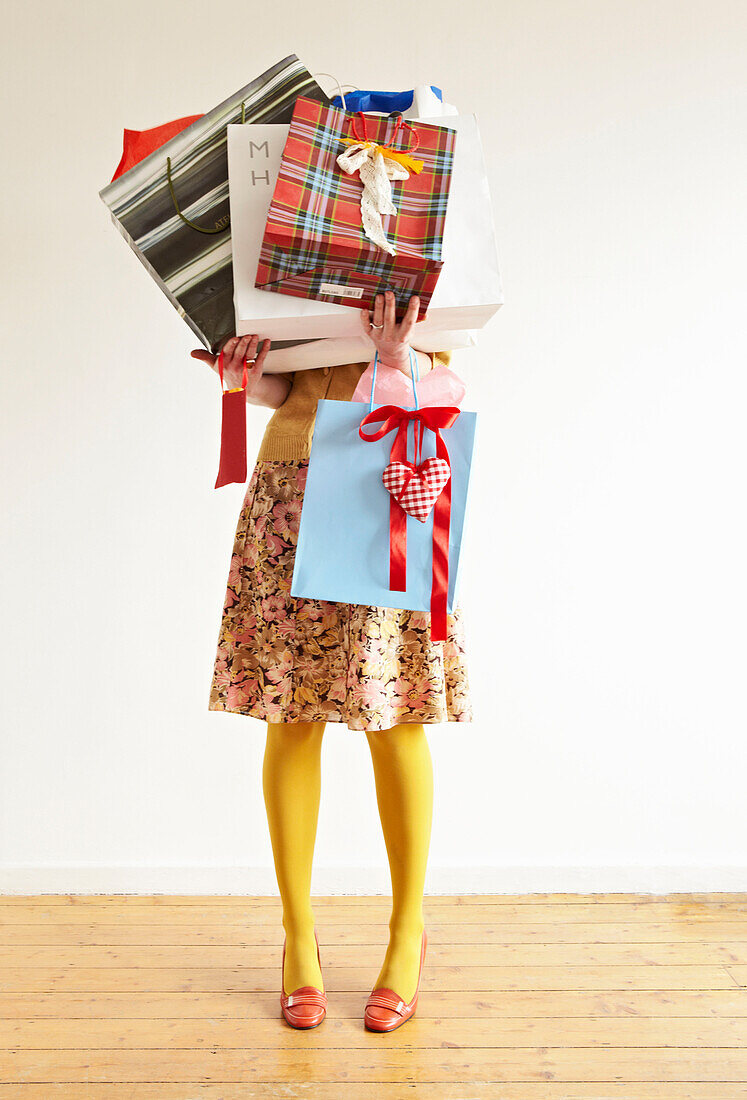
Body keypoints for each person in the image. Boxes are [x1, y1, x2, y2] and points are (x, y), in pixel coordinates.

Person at [191, 290, 472, 1032]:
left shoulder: (413, 237)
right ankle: (298, 940)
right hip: (290, 486)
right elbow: (293, 386)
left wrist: (391, 356)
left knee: (396, 719)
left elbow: (444, 374)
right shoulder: (280, 237)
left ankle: (406, 933)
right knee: (288, 718)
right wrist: (246, 378)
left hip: (386, 483)